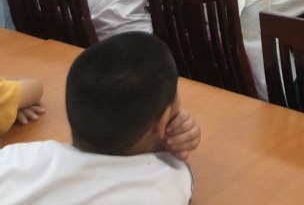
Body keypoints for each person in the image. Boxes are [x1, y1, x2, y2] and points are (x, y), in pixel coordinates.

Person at [0, 32, 200, 204]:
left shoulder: (14, 158)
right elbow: (182, 174)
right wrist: (165, 145)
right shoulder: (166, 182)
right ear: (163, 123)